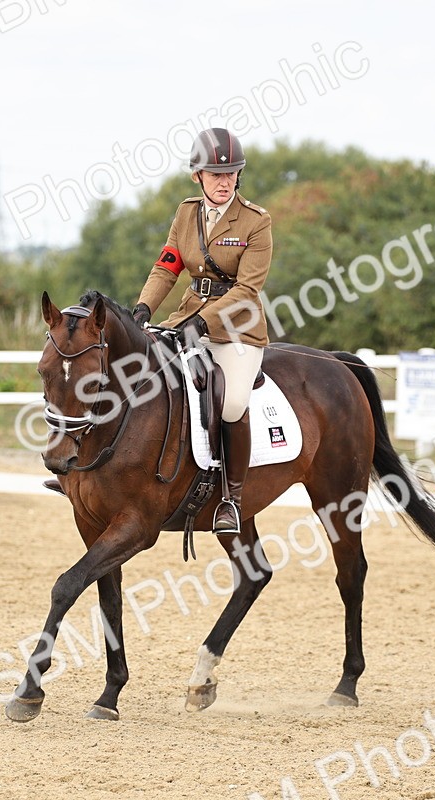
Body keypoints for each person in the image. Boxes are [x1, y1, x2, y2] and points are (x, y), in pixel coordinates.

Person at [132, 127, 272, 535]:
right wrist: (143, 307)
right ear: (198, 175)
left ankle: (231, 497)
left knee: (230, 405)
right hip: (187, 315)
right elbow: (168, 265)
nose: (225, 181)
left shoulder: (256, 222)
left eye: (231, 174)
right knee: (145, 373)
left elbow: (247, 289)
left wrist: (204, 322)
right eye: (216, 174)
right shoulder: (185, 213)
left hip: (237, 330)